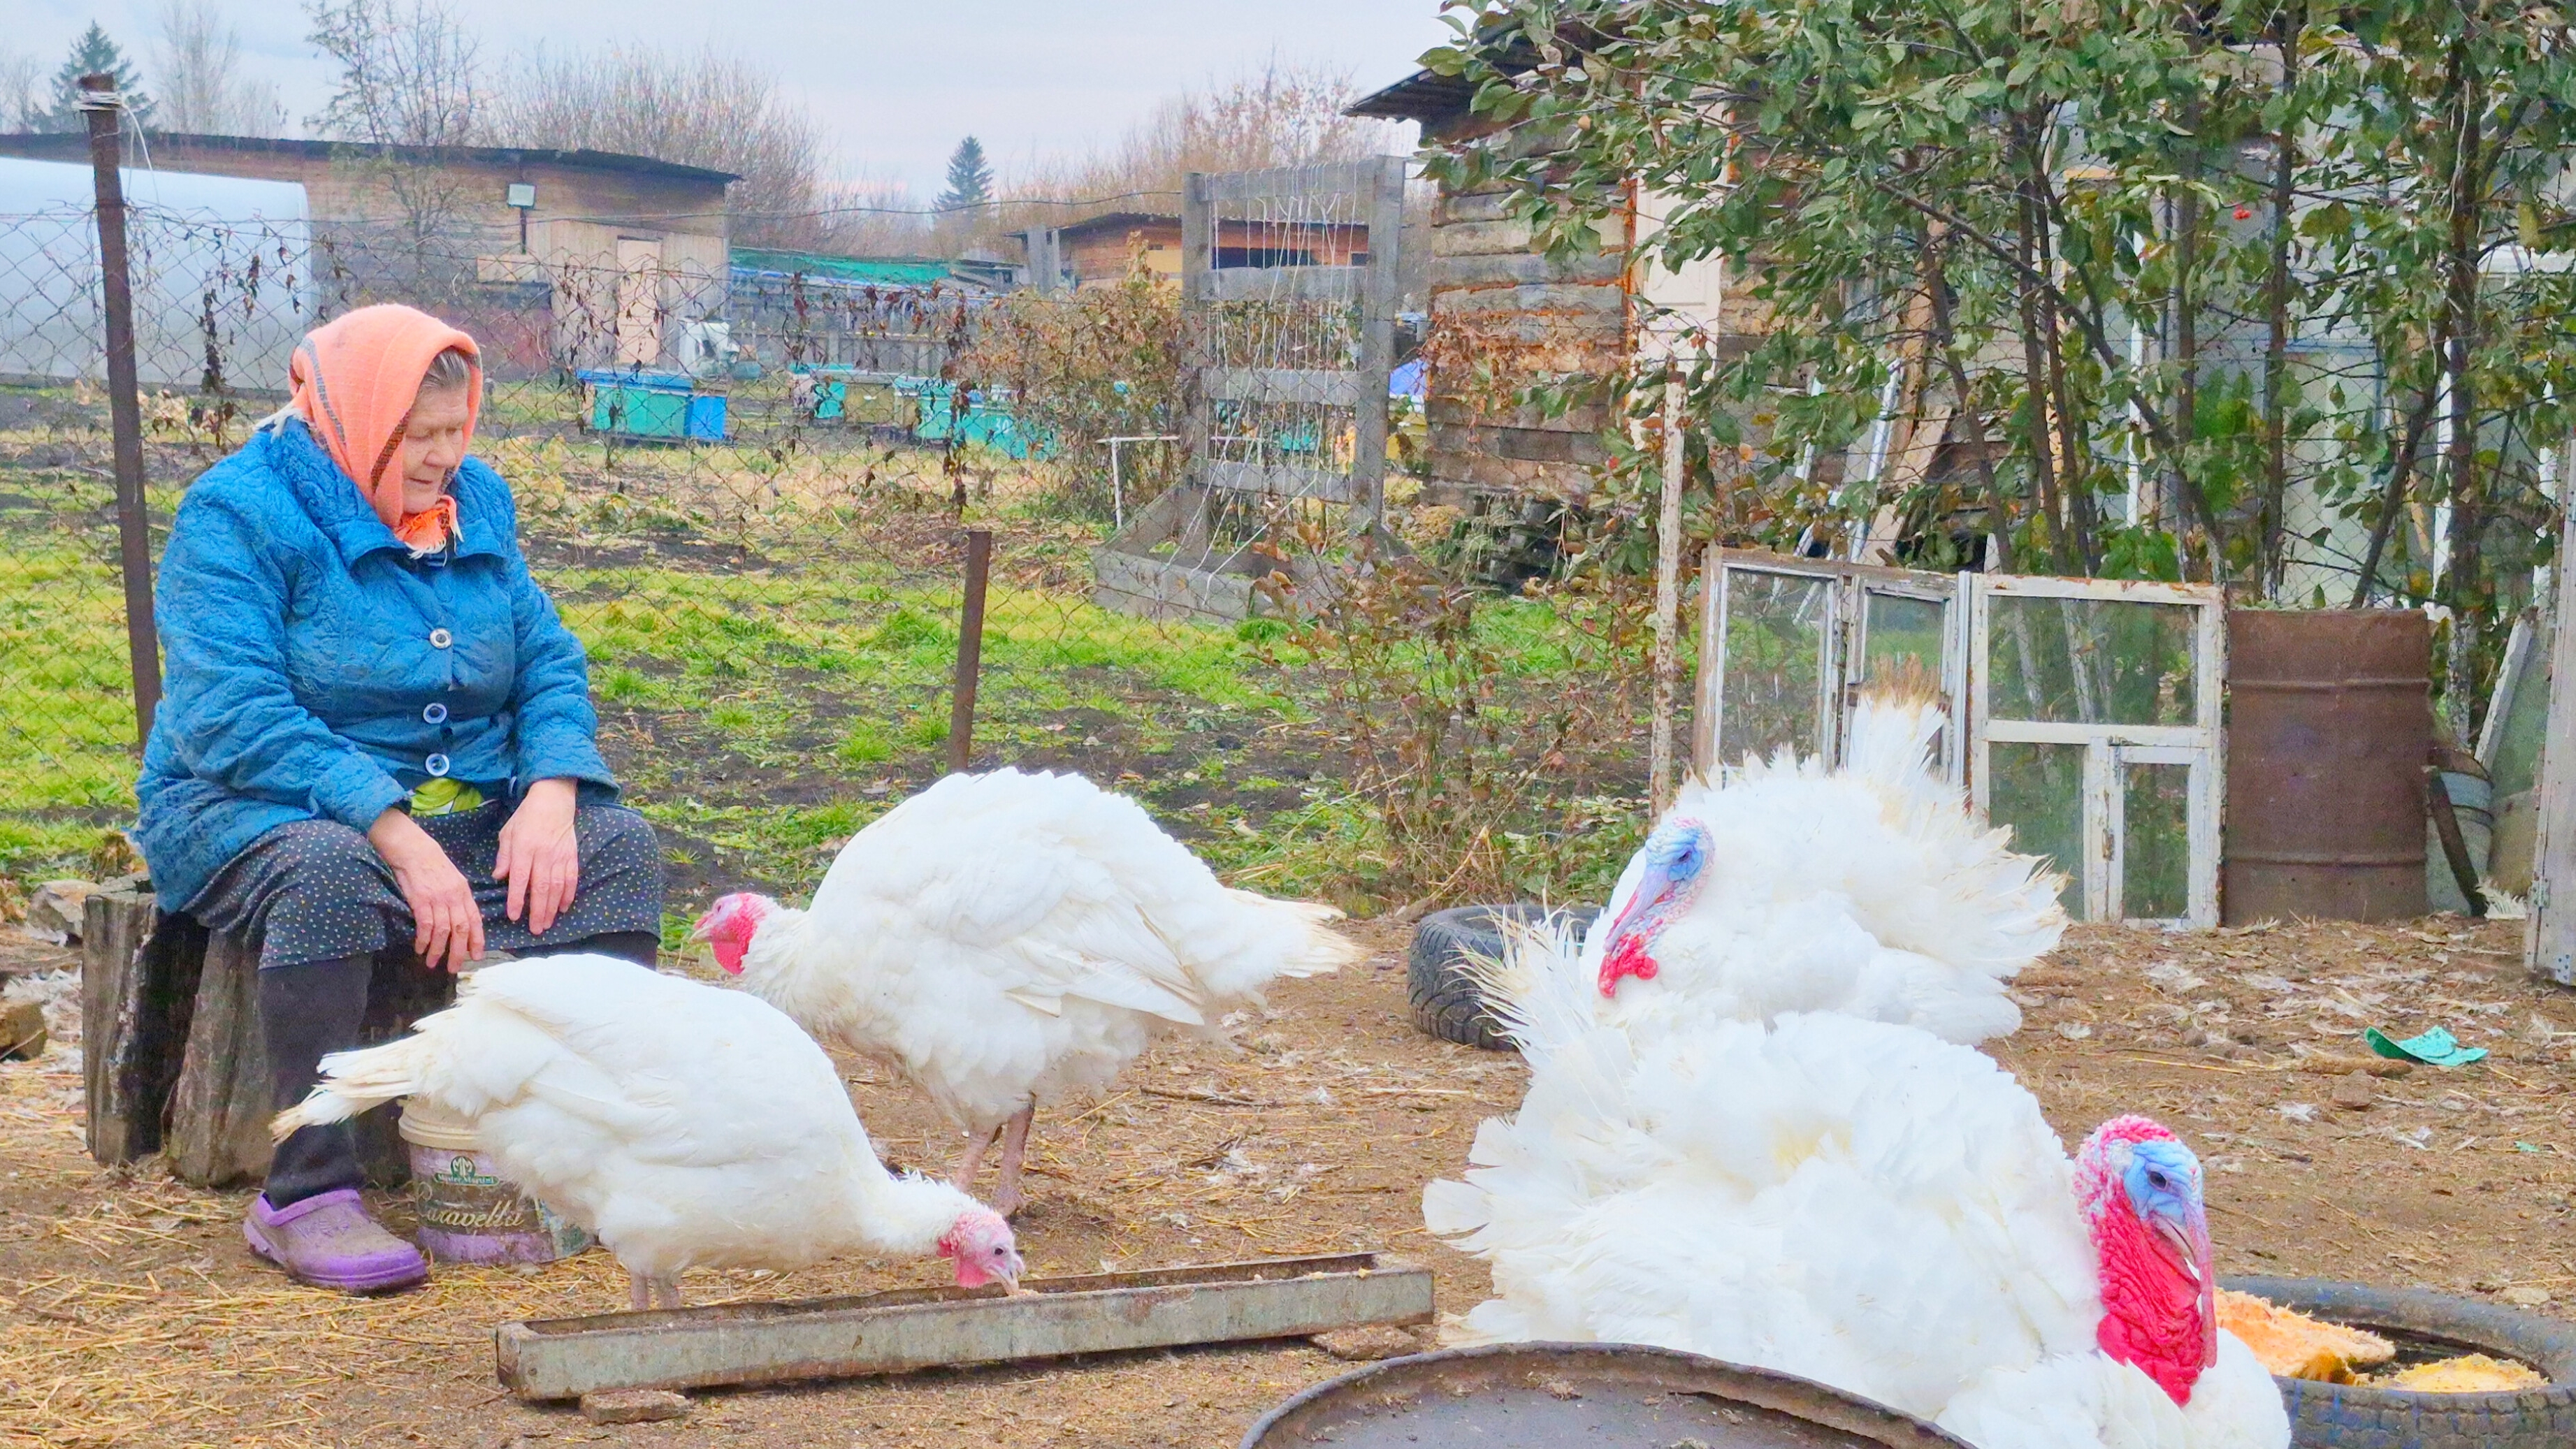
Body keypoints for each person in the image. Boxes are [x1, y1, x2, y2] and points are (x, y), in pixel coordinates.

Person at [134, 305, 664, 1294]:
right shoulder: (239, 512)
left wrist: (552, 789)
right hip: (257, 802)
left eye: (456, 431)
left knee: (617, 847)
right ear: (358, 418)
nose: (442, 458)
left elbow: (546, 659)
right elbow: (228, 713)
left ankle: (583, 1150)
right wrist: (396, 832)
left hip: (454, 800)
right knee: (330, 874)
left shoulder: (476, 502)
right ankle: (306, 1191)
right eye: (417, 435)